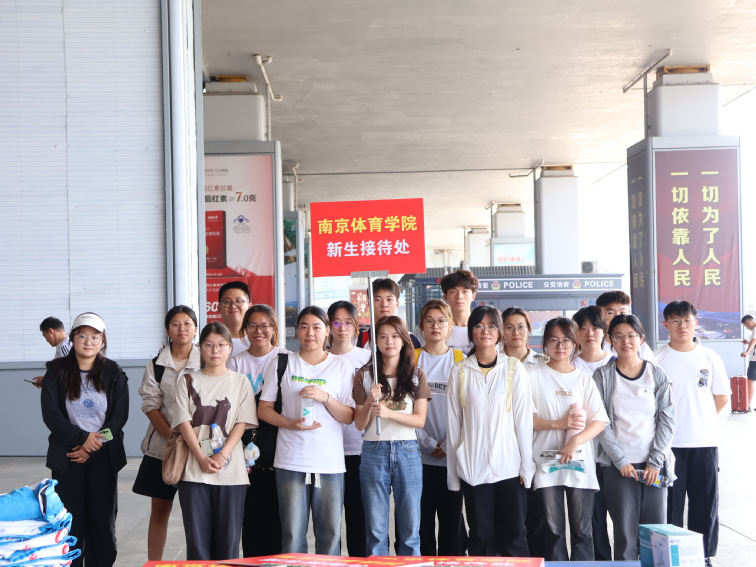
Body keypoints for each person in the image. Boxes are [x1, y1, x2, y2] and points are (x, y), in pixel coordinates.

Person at [258, 306, 356, 555]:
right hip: (291, 459)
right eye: (303, 327)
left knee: (330, 535)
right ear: (296, 332)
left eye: (316, 327)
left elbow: (349, 416)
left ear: (327, 332)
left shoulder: (341, 366)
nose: (310, 333)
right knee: (292, 534)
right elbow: (264, 409)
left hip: (329, 462)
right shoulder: (282, 362)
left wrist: (325, 397)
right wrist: (290, 424)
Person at [40, 312, 129, 567]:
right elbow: (51, 415)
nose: (88, 342)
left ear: (103, 341)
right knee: (69, 522)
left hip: (103, 457)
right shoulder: (56, 371)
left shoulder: (114, 372)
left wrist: (93, 445)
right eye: (82, 336)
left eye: (94, 337)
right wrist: (81, 439)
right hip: (68, 456)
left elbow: (118, 419)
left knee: (102, 523)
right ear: (73, 338)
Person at [447, 305, 535, 557]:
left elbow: (523, 422)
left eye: (492, 326)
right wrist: (453, 476)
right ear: (471, 332)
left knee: (514, 536)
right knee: (480, 536)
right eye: (478, 326)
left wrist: (526, 466)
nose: (485, 331)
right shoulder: (460, 371)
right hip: (473, 469)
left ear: (499, 332)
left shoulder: (513, 369)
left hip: (509, 467)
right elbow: (454, 426)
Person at [172, 321, 257, 561]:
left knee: (228, 544)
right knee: (197, 543)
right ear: (200, 348)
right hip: (193, 470)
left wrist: (222, 455)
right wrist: (201, 457)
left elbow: (242, 422)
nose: (215, 350)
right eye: (208, 345)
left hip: (231, 473)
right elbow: (183, 422)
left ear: (230, 348)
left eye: (221, 345)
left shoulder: (240, 381)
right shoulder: (187, 380)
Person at [594, 314, 675, 561]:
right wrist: (621, 461)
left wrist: (655, 461)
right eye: (618, 336)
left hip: (654, 465)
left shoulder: (657, 374)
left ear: (641, 338)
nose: (625, 342)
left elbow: (667, 420)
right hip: (619, 466)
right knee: (625, 533)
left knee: (655, 531)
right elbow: (601, 422)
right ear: (610, 340)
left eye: (631, 336)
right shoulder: (602, 375)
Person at [655, 301, 729, 566]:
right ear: (666, 325)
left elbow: (721, 396)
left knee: (705, 503)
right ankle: (670, 556)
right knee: (670, 506)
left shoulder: (709, 357)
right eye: (675, 321)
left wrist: (700, 419)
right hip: (668, 445)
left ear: (696, 322)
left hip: (704, 441)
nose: (682, 326)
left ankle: (703, 555)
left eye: (687, 320)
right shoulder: (656, 358)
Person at [529, 318, 608, 561]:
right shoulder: (532, 375)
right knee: (552, 531)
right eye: (553, 340)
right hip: (544, 462)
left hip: (579, 461)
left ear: (575, 344)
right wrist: (560, 424)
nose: (560, 346)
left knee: (583, 531)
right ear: (545, 344)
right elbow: (526, 420)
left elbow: (599, 420)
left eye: (565, 340)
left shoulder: (583, 379)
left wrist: (575, 441)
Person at [353, 316, 430, 556]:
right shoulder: (365, 375)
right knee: (375, 530)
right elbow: (359, 423)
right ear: (375, 342)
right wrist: (369, 400)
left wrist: (388, 413)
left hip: (408, 450)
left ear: (404, 340)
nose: (389, 341)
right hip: (373, 451)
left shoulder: (416, 375)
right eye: (383, 336)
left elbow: (419, 420)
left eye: (395, 336)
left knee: (410, 529)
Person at [133, 305, 201, 561]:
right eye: (175, 324)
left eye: (187, 323)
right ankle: (154, 563)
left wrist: (191, 443)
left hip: (198, 450)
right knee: (160, 513)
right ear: (167, 330)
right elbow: (150, 404)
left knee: (197, 516)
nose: (182, 328)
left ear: (195, 328)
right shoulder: (156, 365)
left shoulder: (207, 359)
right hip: (162, 450)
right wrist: (174, 440)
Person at [228, 304, 288, 558]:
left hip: (278, 442)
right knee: (250, 514)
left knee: (277, 514)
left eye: (265, 325)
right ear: (245, 329)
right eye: (252, 325)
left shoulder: (286, 358)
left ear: (274, 328)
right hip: (244, 442)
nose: (258, 331)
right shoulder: (235, 361)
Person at [415, 300, 465, 556]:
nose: (435, 326)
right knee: (421, 526)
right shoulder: (411, 359)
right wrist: (426, 442)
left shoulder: (461, 361)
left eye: (441, 321)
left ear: (450, 326)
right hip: (417, 459)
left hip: (451, 458)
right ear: (421, 326)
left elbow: (468, 411)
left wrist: (448, 444)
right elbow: (403, 407)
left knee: (451, 527)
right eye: (430, 321)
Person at [500, 306, 546, 557]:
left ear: (529, 330)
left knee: (537, 518)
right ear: (501, 331)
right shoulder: (493, 362)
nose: (515, 332)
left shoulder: (543, 363)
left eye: (521, 327)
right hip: (503, 449)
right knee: (506, 519)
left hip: (537, 448)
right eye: (509, 327)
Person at [327, 300, 371, 557]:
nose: (341, 328)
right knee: (330, 522)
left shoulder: (367, 358)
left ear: (356, 326)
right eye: (335, 322)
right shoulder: (320, 358)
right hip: (328, 450)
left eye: (347, 322)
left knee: (360, 518)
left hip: (361, 449)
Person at [571, 306, 613, 561]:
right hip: (585, 453)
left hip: (617, 454)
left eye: (595, 328)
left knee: (623, 515)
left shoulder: (616, 361)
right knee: (592, 517)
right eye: (583, 328)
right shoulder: (568, 365)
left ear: (604, 332)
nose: (589, 333)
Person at [358, 278, 421, 349]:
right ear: (369, 304)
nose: (384, 304)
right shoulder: (359, 339)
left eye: (389, 299)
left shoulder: (411, 339)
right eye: (378, 299)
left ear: (397, 304)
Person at [595, 291, 656, 363]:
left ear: (629, 312)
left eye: (622, 312)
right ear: (599, 315)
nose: (617, 317)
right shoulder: (594, 344)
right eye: (611, 313)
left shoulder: (640, 345)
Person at [439, 269, 479, 354]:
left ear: (473, 296)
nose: (459, 296)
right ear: (445, 296)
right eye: (453, 291)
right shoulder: (439, 329)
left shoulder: (481, 329)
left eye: (465, 291)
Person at [31, 317, 73, 387]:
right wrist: (45, 381)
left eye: (45, 336)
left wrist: (46, 381)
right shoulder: (62, 346)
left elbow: (70, 376)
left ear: (50, 331)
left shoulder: (65, 348)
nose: (46, 340)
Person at [218, 281, 253, 356]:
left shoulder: (257, 340)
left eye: (239, 301)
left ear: (249, 307)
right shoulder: (210, 341)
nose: (233, 306)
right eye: (227, 302)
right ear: (219, 308)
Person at [740, 314, 756, 411]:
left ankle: (747, 406)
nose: (747, 328)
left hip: (755, 360)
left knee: (750, 380)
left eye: (746, 326)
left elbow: (754, 341)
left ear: (749, 322)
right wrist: (748, 342)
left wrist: (746, 352)